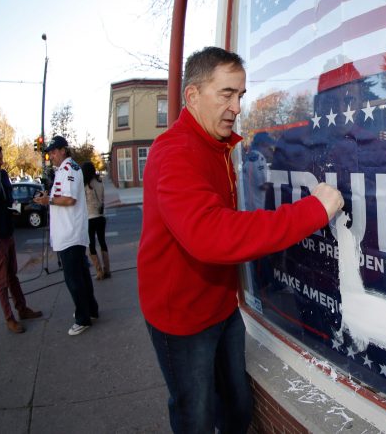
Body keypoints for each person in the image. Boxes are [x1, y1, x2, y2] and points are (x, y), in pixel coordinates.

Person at [138, 47, 344, 434]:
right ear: (193, 96)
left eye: (241, 96)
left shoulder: (219, 146)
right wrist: (313, 211)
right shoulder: (175, 152)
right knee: (194, 415)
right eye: (226, 93)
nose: (236, 106)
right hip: (180, 318)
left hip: (220, 307)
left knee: (235, 407)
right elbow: (212, 235)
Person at [33, 136, 99, 336]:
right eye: (50, 153)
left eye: (54, 152)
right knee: (82, 275)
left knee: (74, 279)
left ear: (63, 150)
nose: (51, 156)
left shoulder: (70, 169)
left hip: (70, 234)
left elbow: (69, 199)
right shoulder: (64, 170)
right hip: (69, 233)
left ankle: (82, 318)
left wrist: (48, 200)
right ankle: (91, 310)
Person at [0, 144, 42, 333]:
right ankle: (9, 318)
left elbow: (7, 200)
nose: (2, 161)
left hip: (8, 232)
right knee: (2, 280)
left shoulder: (3, 175)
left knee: (12, 274)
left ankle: (22, 309)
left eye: (1, 158)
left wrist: (16, 207)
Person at [82, 161, 110, 279]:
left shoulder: (85, 186)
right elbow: (102, 198)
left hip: (90, 218)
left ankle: (99, 272)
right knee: (102, 242)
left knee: (92, 245)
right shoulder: (100, 183)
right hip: (101, 217)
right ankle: (107, 269)